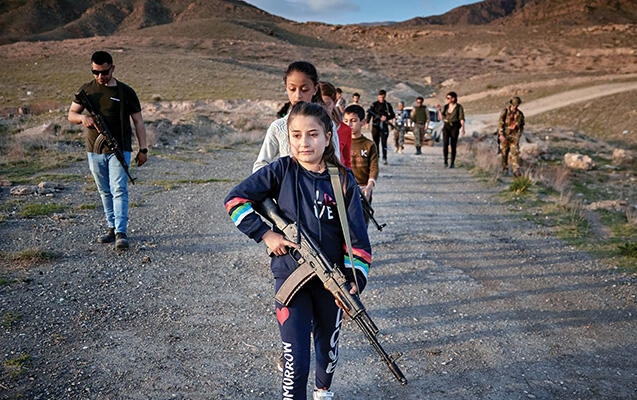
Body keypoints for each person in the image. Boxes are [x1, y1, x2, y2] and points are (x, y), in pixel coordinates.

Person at [224, 102, 372, 400]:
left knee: (328, 348)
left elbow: (357, 238)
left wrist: (355, 277)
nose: (304, 143)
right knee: (295, 357)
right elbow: (234, 200)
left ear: (328, 137)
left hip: (331, 281)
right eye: (296, 135)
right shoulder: (280, 170)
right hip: (290, 279)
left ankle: (323, 391)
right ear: (287, 138)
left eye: (313, 134)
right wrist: (266, 233)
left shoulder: (342, 180)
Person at [68, 50, 148, 250]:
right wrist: (82, 118)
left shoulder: (125, 92)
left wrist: (143, 149)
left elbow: (138, 122)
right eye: (95, 72)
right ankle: (111, 227)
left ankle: (121, 232)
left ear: (112, 68)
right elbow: (71, 114)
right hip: (94, 150)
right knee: (104, 191)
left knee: (119, 189)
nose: (100, 77)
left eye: (104, 72)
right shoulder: (87, 90)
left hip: (119, 148)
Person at [253, 61, 340, 173]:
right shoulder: (278, 127)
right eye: (292, 89)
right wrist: (276, 184)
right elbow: (260, 165)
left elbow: (336, 164)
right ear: (286, 88)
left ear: (315, 89)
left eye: (304, 90)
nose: (298, 95)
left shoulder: (327, 124)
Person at [344, 104, 379, 228]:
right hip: (344, 189)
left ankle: (360, 248)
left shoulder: (369, 145)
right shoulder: (340, 142)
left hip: (363, 190)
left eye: (353, 121)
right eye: (346, 121)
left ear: (363, 122)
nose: (349, 124)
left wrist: (369, 187)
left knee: (362, 225)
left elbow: (374, 167)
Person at [319, 81, 352, 168]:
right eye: (319, 104)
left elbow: (347, 161)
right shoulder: (304, 129)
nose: (323, 109)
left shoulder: (345, 130)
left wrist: (348, 180)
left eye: (327, 104)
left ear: (335, 102)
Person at [366, 90, 395, 165]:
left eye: (382, 97)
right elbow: (369, 113)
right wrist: (367, 122)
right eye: (380, 97)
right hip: (375, 125)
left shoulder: (387, 105)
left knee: (384, 142)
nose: (381, 98)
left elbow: (392, 115)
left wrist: (386, 117)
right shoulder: (374, 104)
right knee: (375, 143)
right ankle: (377, 157)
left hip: (384, 126)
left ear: (385, 96)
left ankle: (384, 158)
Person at [436, 91, 465, 168]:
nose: (447, 99)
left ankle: (452, 162)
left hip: (455, 126)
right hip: (446, 126)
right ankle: (445, 161)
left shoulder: (459, 107)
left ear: (453, 98)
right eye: (447, 98)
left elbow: (461, 118)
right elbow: (441, 118)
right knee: (445, 144)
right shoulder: (446, 107)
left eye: (448, 98)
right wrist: (439, 110)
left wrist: (463, 128)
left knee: (453, 145)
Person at [498, 96, 525, 177]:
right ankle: (505, 169)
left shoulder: (520, 114)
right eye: (514, 105)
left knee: (515, 153)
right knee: (504, 154)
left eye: (517, 105)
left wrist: (519, 135)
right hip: (505, 136)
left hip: (514, 137)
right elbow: (500, 123)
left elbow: (522, 125)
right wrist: (501, 134)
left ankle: (516, 171)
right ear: (511, 104)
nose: (515, 107)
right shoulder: (505, 112)